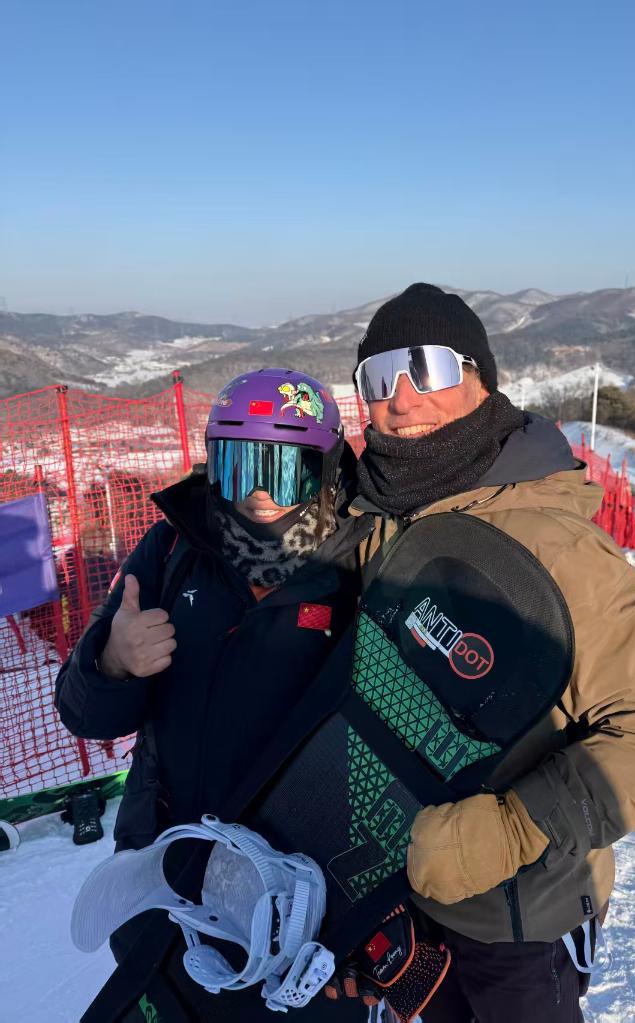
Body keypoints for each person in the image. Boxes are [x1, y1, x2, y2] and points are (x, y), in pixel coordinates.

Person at [332, 283, 635, 1023]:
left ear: (482, 380)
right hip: (385, 891)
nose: (402, 399)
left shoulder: (553, 543)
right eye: (379, 377)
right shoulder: (371, 515)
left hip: (515, 922)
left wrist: (506, 828)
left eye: (428, 369)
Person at [55, 369, 371, 1021]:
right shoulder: (174, 547)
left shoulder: (357, 563)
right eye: (238, 466)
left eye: (283, 470)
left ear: (325, 469)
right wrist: (112, 662)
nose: (258, 492)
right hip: (168, 876)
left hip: (297, 900)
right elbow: (83, 713)